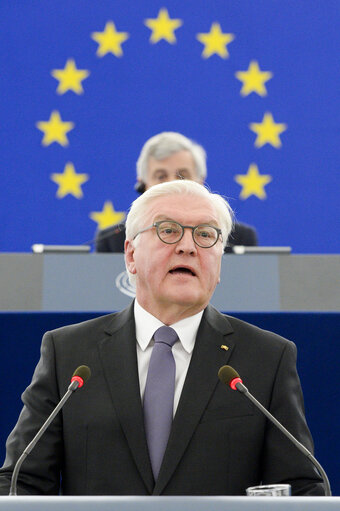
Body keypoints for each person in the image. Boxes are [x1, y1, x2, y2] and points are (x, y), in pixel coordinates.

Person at [0, 180, 324, 496]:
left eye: (206, 235)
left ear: (220, 261)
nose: (188, 246)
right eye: (168, 230)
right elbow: (20, 483)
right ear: (130, 255)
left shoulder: (267, 358)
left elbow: (302, 488)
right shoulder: (69, 354)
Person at [96, 132, 257, 253]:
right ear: (143, 185)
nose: (172, 183)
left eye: (182, 175)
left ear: (201, 182)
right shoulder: (113, 241)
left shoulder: (238, 238)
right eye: (161, 176)